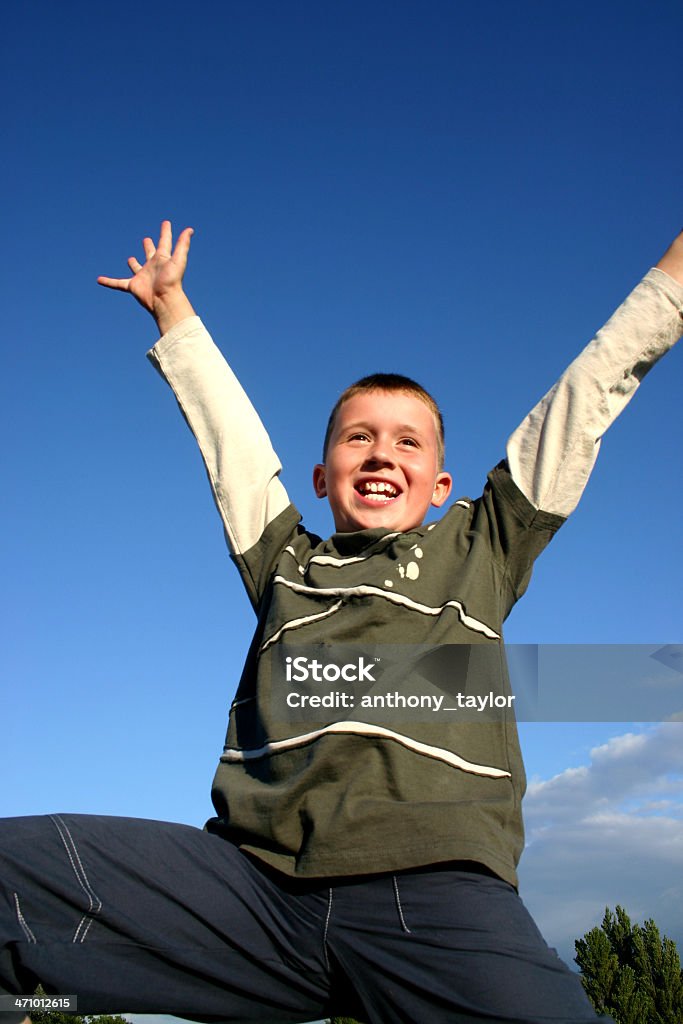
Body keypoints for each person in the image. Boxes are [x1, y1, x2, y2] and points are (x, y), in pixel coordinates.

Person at [1, 223, 682, 1024]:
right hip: (251, 893)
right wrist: (174, 313)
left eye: (407, 442)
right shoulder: (285, 559)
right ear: (323, 475)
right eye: (357, 438)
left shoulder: (479, 548)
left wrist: (670, 283)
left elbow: (582, 397)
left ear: (440, 484)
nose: (380, 454)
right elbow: (233, 447)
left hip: (435, 892)